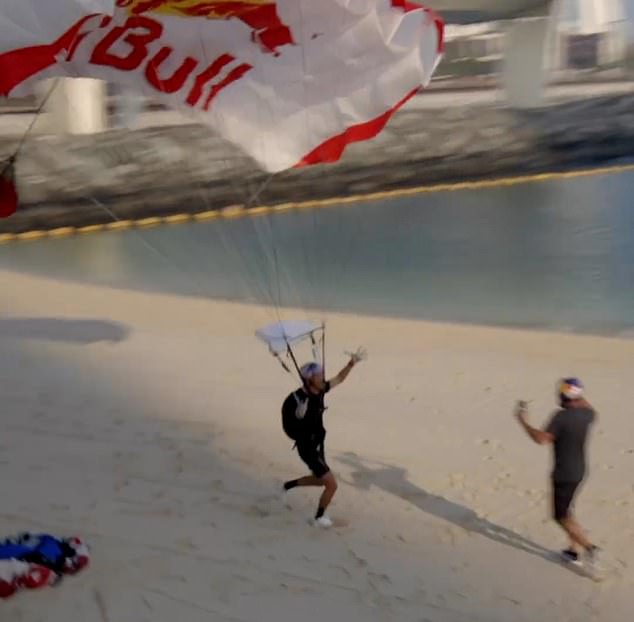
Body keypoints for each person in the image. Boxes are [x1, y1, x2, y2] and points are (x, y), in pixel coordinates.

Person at [514, 378, 599, 568]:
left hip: (563, 474)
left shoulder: (561, 417)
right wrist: (576, 393)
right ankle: (573, 551)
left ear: (562, 395)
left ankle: (590, 548)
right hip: (580, 470)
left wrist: (523, 421)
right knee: (568, 510)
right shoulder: (588, 414)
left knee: (560, 516)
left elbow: (542, 439)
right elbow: (585, 405)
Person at [281, 347, 367, 528]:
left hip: (318, 443)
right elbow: (289, 425)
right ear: (310, 379)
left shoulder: (319, 390)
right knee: (331, 484)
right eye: (319, 375)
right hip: (307, 447)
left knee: (321, 480)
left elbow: (339, 379)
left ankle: (287, 486)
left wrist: (352, 363)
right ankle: (319, 518)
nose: (322, 377)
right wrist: (298, 416)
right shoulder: (296, 399)